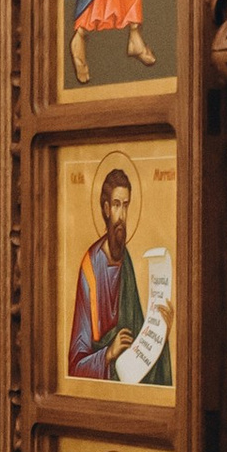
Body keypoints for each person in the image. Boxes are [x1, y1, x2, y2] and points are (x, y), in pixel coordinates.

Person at [67, 163, 167, 384]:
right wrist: (109, 353)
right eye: (116, 205)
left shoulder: (125, 259)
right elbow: (75, 364)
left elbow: (139, 335)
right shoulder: (90, 268)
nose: (121, 215)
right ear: (105, 209)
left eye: (126, 205)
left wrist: (161, 331)